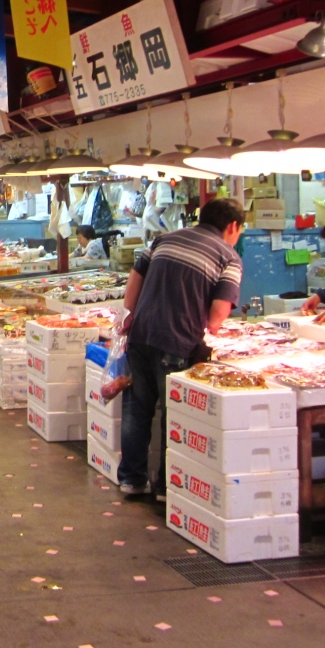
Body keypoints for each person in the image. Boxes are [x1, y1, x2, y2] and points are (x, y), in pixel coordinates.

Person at [117, 198, 246, 498]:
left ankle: (132, 480)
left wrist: (130, 316)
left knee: (136, 410)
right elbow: (218, 314)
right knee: (174, 414)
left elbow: (135, 278)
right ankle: (167, 487)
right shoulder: (229, 256)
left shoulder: (165, 239)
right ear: (233, 226)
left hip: (140, 334)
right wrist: (212, 326)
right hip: (176, 342)